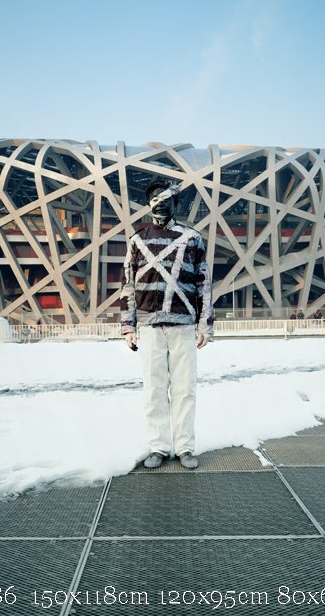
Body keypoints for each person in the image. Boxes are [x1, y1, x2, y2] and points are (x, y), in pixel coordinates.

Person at [121, 179, 214, 470]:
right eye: (156, 201)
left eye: (166, 201)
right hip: (149, 326)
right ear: (149, 204)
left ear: (176, 204)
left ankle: (185, 447)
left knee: (185, 388)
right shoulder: (138, 239)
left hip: (183, 325)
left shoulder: (193, 238)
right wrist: (128, 326)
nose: (161, 206)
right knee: (154, 389)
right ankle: (159, 447)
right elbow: (128, 284)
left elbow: (203, 284)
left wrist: (204, 324)